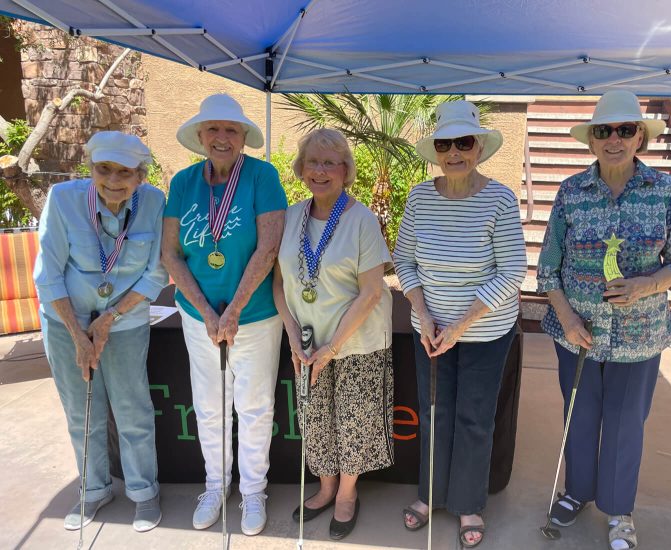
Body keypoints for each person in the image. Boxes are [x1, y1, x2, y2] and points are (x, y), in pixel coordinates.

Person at [536, 90, 671, 550]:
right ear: (591, 140)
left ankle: (619, 508)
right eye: (603, 131)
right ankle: (578, 492)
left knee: (626, 422)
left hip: (639, 336)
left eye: (625, 130)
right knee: (580, 417)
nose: (614, 139)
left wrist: (646, 285)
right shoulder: (571, 191)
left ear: (640, 137)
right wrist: (566, 318)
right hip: (577, 334)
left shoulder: (664, 190)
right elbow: (549, 268)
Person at [393, 101, 528, 548]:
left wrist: (462, 324)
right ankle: (430, 495)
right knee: (435, 413)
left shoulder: (500, 199)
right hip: (429, 330)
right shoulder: (418, 197)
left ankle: (468, 502)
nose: (454, 152)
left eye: (463, 142)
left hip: (485, 333)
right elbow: (405, 261)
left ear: (478, 147)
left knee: (474, 419)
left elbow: (512, 272)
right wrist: (427, 315)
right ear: (435, 150)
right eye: (444, 143)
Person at [161, 94, 287, 536]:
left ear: (243, 138)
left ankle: (253, 491)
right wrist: (206, 312)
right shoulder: (183, 182)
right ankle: (216, 485)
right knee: (209, 406)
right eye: (213, 129)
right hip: (199, 318)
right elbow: (171, 254)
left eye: (231, 130)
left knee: (254, 406)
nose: (221, 137)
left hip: (253, 315)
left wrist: (231, 311)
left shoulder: (262, 176)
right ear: (200, 136)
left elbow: (268, 247)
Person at [34, 131, 168, 532]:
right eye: (103, 169)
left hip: (124, 321)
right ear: (90, 169)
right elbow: (48, 274)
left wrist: (107, 320)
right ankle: (93, 490)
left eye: (124, 171)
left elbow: (155, 273)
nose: (113, 179)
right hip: (65, 322)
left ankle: (144, 493)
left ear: (140, 176)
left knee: (133, 410)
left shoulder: (154, 203)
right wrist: (79, 335)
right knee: (82, 411)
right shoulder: (63, 199)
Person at [273, 128, 394, 541]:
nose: (320, 171)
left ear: (345, 171)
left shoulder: (361, 220)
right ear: (301, 168)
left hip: (355, 342)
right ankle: (324, 487)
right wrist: (292, 334)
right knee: (315, 418)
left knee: (353, 423)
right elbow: (278, 283)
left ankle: (346, 493)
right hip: (306, 342)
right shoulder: (291, 216)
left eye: (330, 163)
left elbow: (372, 291)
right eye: (313, 162)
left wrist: (334, 347)